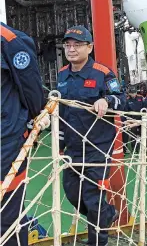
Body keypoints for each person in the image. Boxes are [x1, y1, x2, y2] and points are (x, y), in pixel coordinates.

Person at [57, 25, 125, 246]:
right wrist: (59, 144)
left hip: (97, 146)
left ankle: (98, 241)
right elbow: (60, 112)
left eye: (77, 45)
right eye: (68, 45)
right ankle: (107, 215)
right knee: (72, 192)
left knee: (92, 196)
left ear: (90, 47)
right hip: (73, 146)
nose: (71, 49)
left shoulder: (103, 73)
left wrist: (106, 101)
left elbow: (121, 99)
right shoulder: (62, 75)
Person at [1, 22, 48, 246]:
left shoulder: (9, 41)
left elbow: (31, 90)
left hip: (6, 143)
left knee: (7, 216)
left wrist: (36, 117)